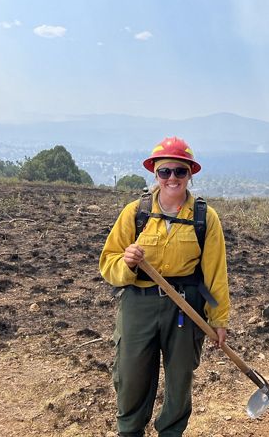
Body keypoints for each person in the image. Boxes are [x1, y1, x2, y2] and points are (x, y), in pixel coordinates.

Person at [100, 136, 230, 437]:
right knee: (131, 377)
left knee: (180, 379)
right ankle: (130, 431)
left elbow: (215, 273)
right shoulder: (135, 213)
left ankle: (171, 432)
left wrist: (219, 318)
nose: (172, 178)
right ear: (155, 174)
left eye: (180, 171)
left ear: (190, 174)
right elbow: (108, 262)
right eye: (165, 171)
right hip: (139, 303)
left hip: (185, 307)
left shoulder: (204, 218)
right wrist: (128, 263)